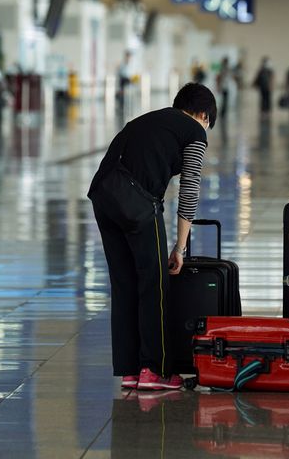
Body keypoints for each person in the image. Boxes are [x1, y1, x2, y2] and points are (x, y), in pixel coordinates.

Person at [88, 83, 217, 391]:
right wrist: (180, 247)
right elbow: (189, 191)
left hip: (104, 197)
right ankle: (155, 370)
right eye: (208, 122)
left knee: (124, 285)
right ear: (203, 115)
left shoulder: (148, 120)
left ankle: (130, 370)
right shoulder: (195, 132)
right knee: (155, 284)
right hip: (137, 204)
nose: (206, 128)